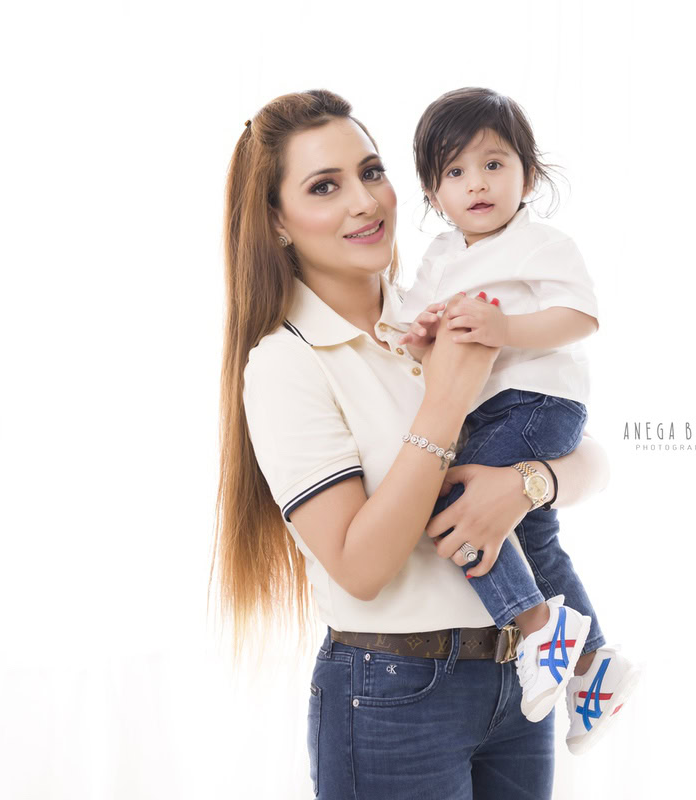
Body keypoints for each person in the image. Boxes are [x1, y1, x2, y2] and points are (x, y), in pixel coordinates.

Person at [212, 89, 611, 799]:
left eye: (371, 172)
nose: (365, 203)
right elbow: (361, 567)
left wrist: (526, 486)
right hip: (394, 689)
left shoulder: (436, 310)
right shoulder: (289, 361)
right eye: (325, 186)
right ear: (277, 220)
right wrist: (447, 400)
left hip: (515, 681)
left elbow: (591, 459)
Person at [395, 87, 643, 752]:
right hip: (490, 413)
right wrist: (419, 333)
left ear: (528, 177)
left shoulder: (539, 243)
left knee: (456, 499)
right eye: (455, 171)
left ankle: (536, 627)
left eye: (494, 164)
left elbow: (582, 316)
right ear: (432, 195)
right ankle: (593, 664)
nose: (476, 183)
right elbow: (412, 330)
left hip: (538, 404)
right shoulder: (440, 260)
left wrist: (507, 328)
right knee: (535, 541)